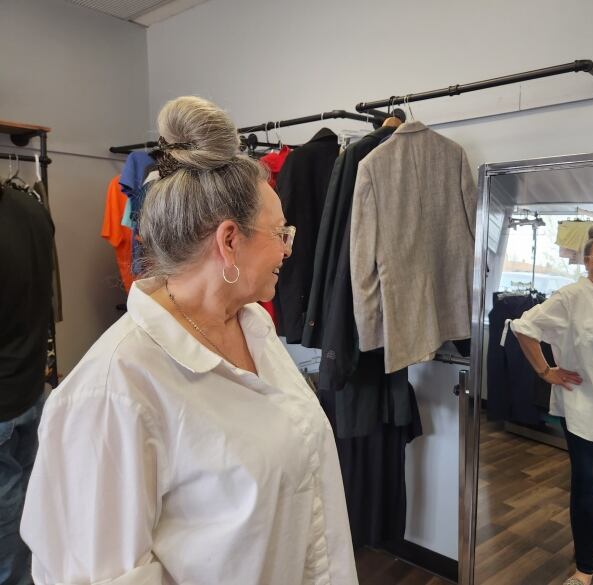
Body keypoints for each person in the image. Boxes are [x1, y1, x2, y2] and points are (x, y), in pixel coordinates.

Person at [20, 96, 358, 585]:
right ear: (228, 241)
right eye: (281, 232)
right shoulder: (113, 391)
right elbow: (97, 574)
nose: (290, 246)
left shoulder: (252, 329)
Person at [511, 218, 593, 585]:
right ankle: (583, 572)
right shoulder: (571, 297)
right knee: (589, 488)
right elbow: (523, 327)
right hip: (582, 409)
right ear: (587, 259)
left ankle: (589, 553)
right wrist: (547, 371)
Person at [0, 183, 54, 585]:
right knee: (32, 500)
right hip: (31, 384)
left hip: (7, 398)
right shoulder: (32, 210)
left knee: (8, 513)